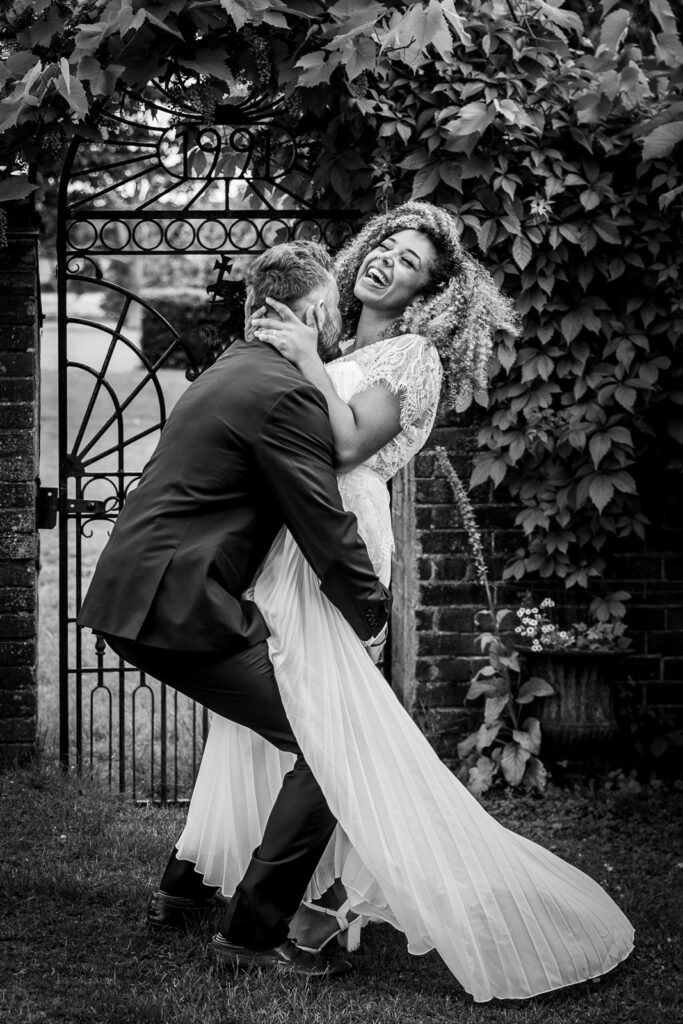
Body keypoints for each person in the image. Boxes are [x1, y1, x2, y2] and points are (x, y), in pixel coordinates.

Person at [158, 201, 634, 1002]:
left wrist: (310, 360)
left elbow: (347, 446)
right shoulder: (340, 342)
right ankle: (216, 878)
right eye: (384, 245)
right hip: (285, 543)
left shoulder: (413, 356)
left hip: (340, 537)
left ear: (430, 290)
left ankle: (309, 907)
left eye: (409, 260)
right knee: (278, 710)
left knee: (331, 716)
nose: (386, 261)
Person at [77, 239, 393, 980]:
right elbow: (323, 524)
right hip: (176, 607)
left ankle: (186, 895)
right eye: (333, 309)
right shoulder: (283, 391)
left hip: (146, 595)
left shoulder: (232, 368)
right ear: (315, 309)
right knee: (333, 744)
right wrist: (372, 615)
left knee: (306, 737)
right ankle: (252, 934)